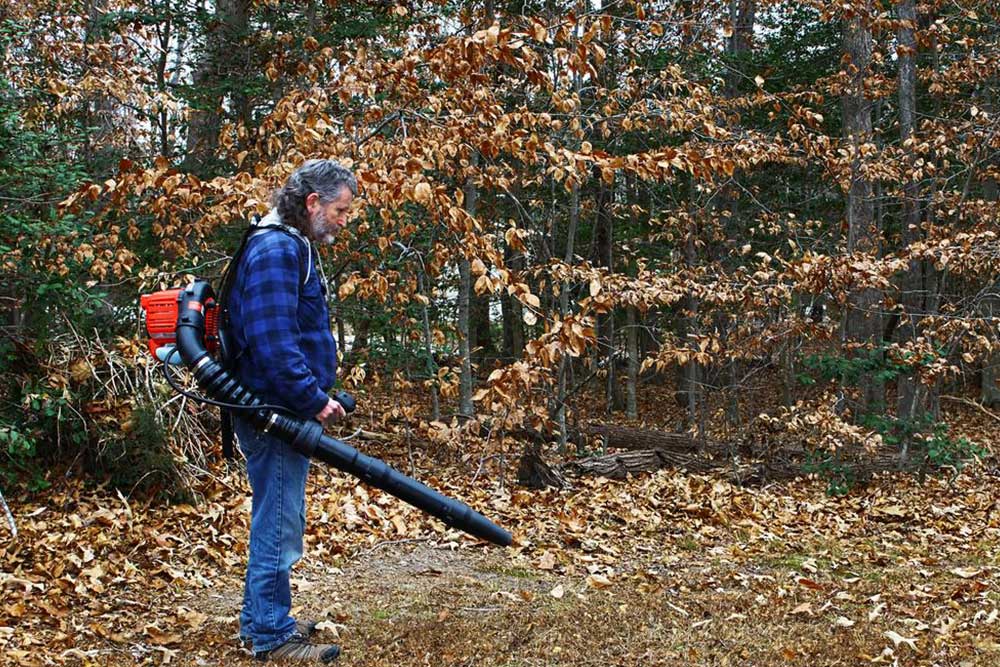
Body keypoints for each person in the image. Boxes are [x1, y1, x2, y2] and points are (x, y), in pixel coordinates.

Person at [228, 159, 356, 663]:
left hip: (278, 406)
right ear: (312, 203)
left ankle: (261, 618)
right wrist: (312, 399)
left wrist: (320, 393)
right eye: (340, 210)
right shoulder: (278, 247)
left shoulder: (287, 244)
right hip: (274, 411)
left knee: (277, 518)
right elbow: (274, 343)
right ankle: (271, 636)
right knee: (279, 523)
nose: (344, 221)